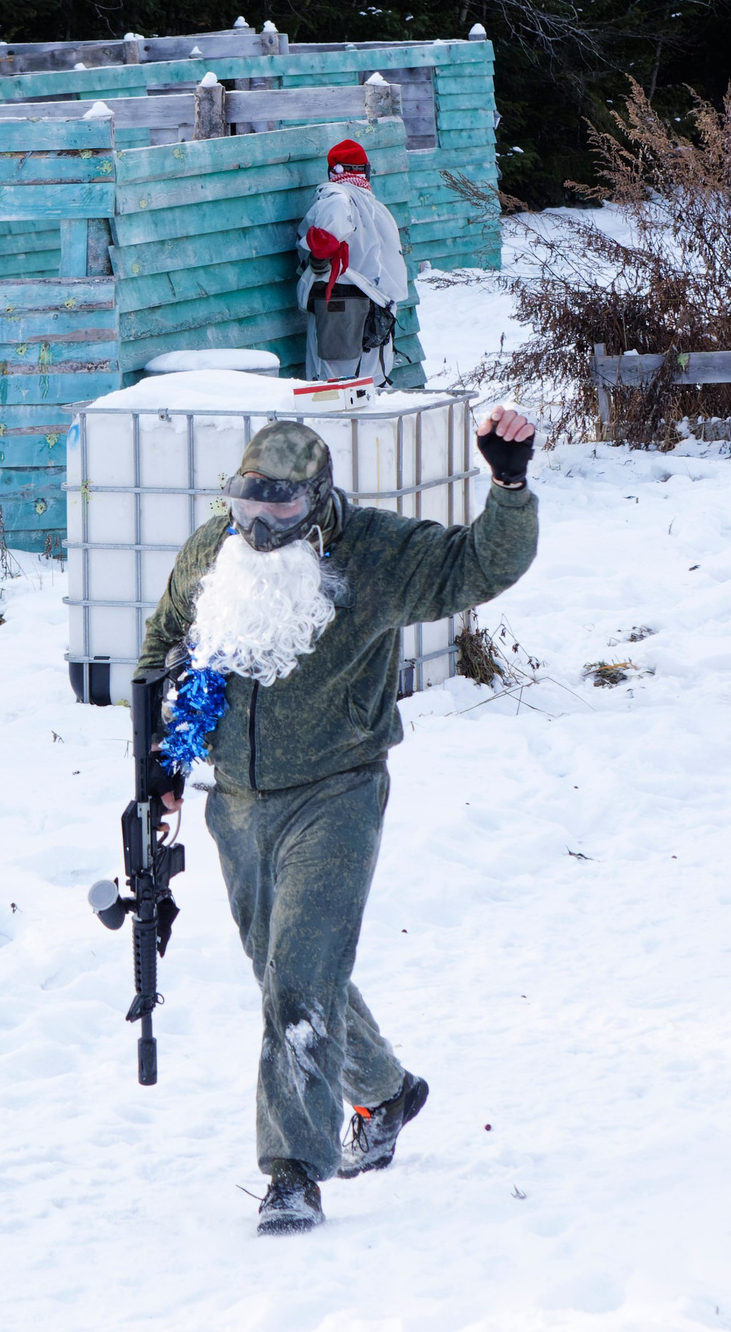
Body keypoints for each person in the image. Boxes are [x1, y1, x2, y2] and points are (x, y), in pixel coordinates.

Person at [134, 406, 540, 1234]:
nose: (261, 526)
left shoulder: (376, 552)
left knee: (299, 980)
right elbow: (164, 641)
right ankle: (384, 1094)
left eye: (281, 509)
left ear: (318, 503)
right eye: (249, 504)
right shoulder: (216, 551)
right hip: (237, 802)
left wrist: (509, 484)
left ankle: (292, 1172)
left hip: (337, 791)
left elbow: (478, 567)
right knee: (282, 967)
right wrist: (161, 763)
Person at [297, 139, 412, 383]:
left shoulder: (336, 198)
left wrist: (318, 258)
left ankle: (334, 422)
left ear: (334, 171)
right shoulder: (375, 206)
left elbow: (327, 238)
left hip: (341, 303)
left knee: (333, 381)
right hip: (374, 304)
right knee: (367, 379)